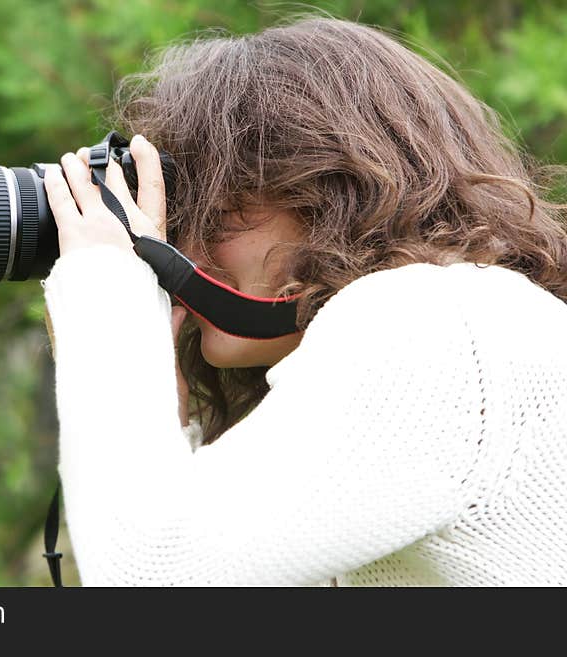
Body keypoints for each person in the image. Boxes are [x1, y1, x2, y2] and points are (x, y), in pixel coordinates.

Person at [40, 17, 567, 586]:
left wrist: (103, 282)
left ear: (334, 189)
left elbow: (149, 578)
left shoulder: (437, 321)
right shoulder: (469, 329)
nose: (181, 249)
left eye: (215, 214)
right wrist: (152, 421)